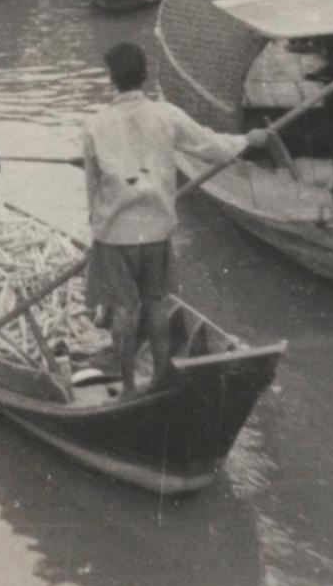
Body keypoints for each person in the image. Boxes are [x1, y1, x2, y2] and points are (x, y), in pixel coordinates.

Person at [75, 43, 270, 394]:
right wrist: (248, 139)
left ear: (110, 80)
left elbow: (93, 187)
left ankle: (130, 388)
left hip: (115, 233)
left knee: (123, 310)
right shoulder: (167, 116)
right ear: (144, 76)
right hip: (156, 230)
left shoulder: (94, 125)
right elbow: (211, 146)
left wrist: (97, 227)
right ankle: (163, 379)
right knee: (156, 304)